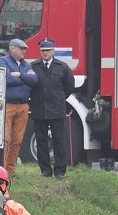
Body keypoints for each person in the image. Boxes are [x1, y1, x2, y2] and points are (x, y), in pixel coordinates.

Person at [29, 38, 75, 179]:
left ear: (53, 51)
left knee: (59, 141)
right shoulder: (33, 66)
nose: (45, 53)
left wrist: (58, 98)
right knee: (41, 141)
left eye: (48, 50)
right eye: (43, 51)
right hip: (39, 109)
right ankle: (45, 171)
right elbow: (29, 85)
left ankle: (60, 171)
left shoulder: (62, 67)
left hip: (56, 109)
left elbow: (69, 86)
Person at [0, 38, 38, 176]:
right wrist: (25, 78)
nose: (24, 51)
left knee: (17, 140)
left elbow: (34, 80)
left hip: (23, 106)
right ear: (13, 49)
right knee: (4, 139)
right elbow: (6, 78)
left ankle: (10, 169)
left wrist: (19, 75)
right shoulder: (3, 61)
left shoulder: (27, 65)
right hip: (7, 105)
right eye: (22, 49)